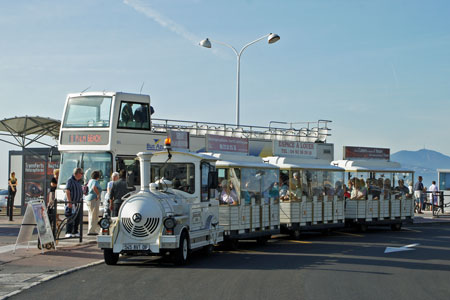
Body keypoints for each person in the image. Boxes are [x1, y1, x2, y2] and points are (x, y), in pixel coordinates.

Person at [65, 168, 84, 238]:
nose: (82, 175)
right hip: (72, 202)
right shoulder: (70, 180)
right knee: (70, 217)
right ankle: (68, 231)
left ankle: (75, 231)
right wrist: (69, 202)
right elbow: (67, 191)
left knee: (77, 218)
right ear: (77, 173)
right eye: (81, 174)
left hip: (77, 203)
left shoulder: (78, 181)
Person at [85, 171, 102, 235]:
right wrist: (98, 194)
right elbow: (94, 187)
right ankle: (92, 230)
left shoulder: (90, 181)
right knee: (94, 215)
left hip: (88, 199)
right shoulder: (95, 181)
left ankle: (91, 229)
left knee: (91, 214)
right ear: (98, 176)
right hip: (94, 199)